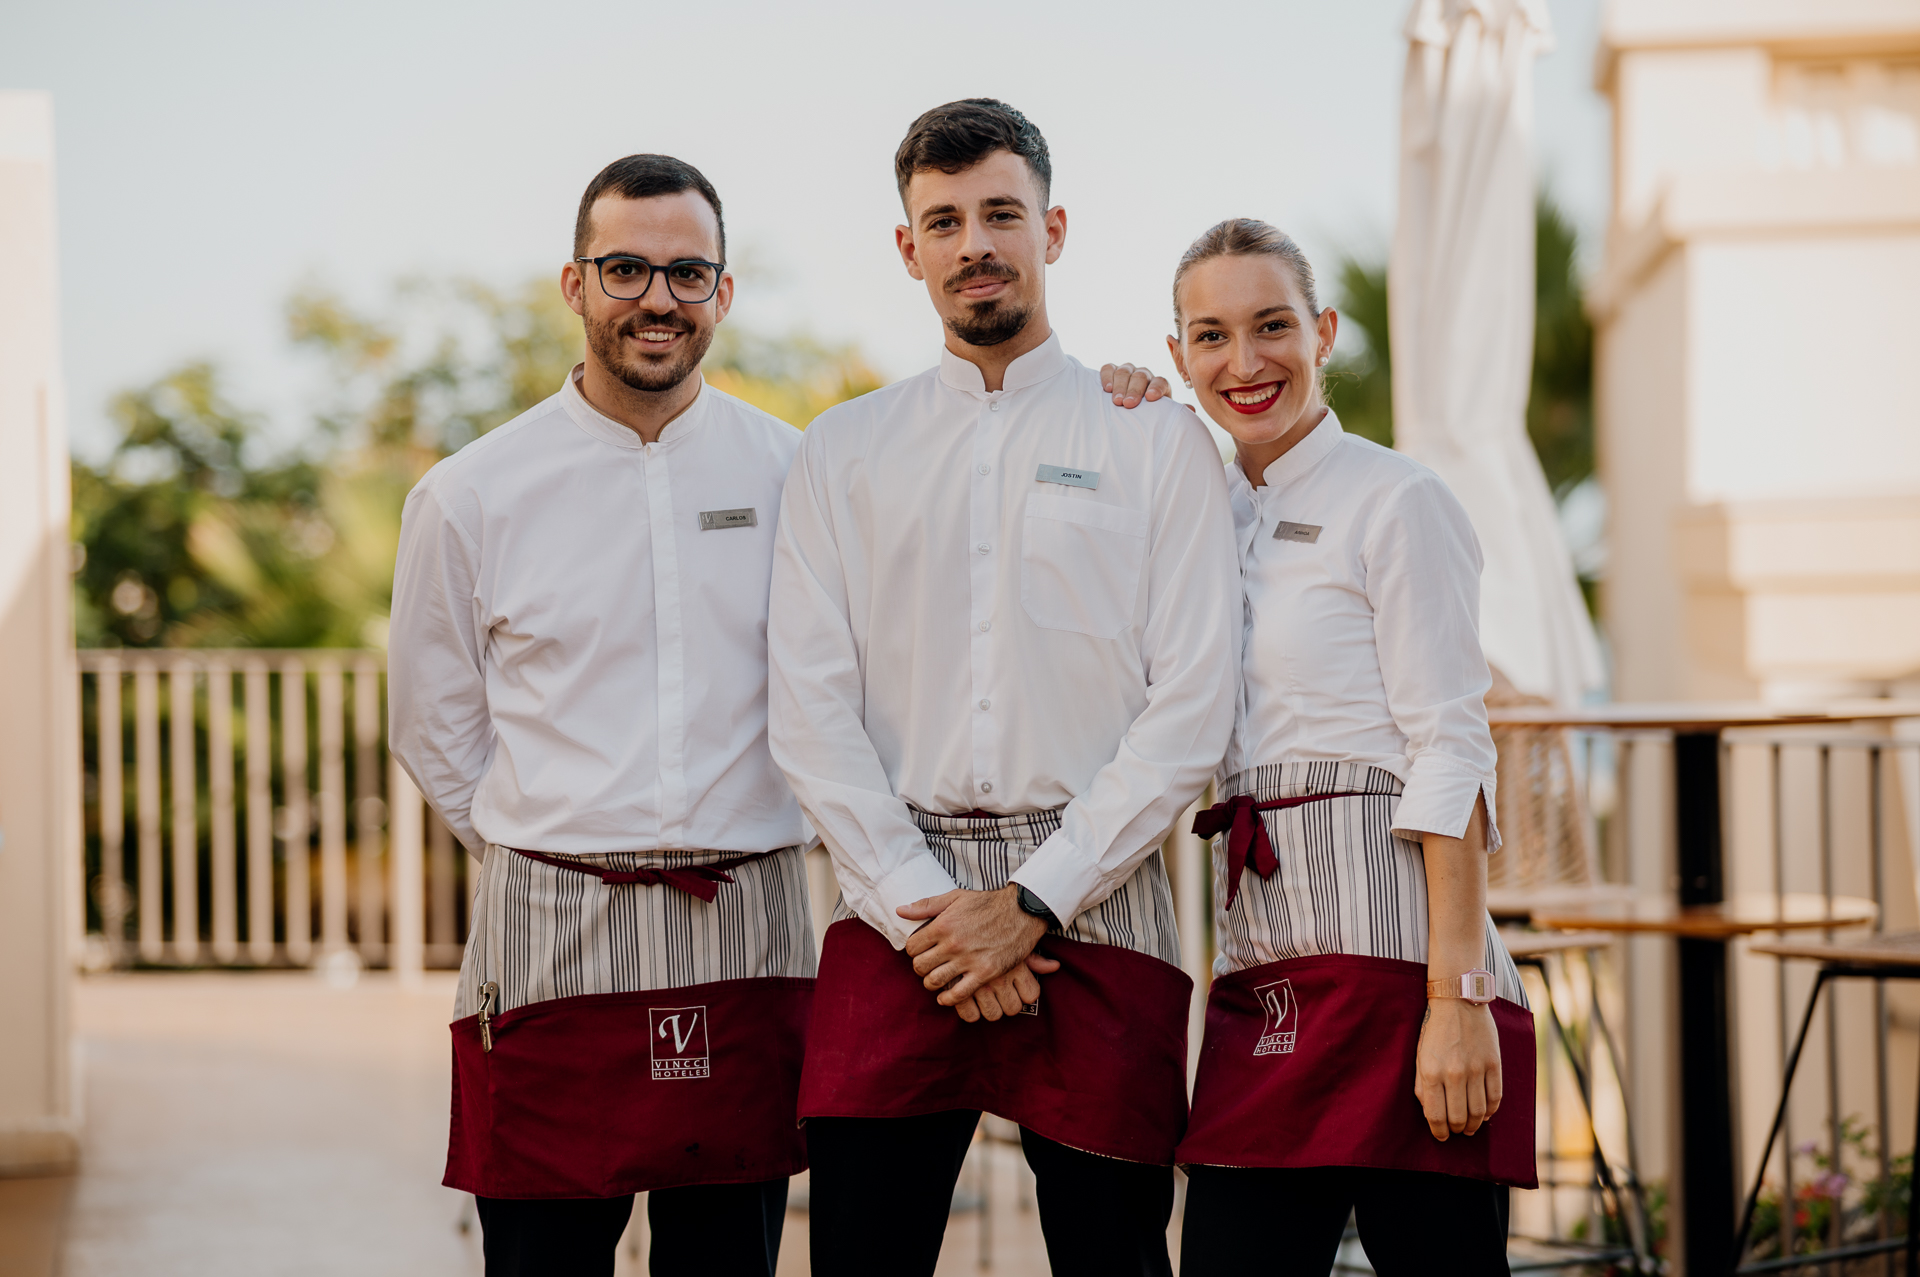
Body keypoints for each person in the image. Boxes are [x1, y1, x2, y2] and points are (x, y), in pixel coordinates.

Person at [387, 152, 1169, 1277]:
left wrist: (1118, 394)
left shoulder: (794, 466)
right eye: (625, 269)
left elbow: (842, 684)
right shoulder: (468, 493)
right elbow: (433, 724)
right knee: (538, 1259)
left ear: (724, 291)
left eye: (687, 272)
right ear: (574, 284)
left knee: (727, 1260)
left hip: (744, 920)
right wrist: (555, 837)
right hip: (551, 924)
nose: (658, 298)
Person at [767, 99, 1238, 1277]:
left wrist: (1033, 899)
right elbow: (809, 709)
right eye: (944, 220)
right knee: (861, 1254)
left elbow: (1190, 706)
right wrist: (936, 914)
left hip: (1102, 892)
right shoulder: (841, 449)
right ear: (908, 247)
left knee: (1115, 1255)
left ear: (1054, 227)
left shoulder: (1156, 440)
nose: (974, 241)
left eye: (1000, 214)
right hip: (897, 905)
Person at [1157, 219, 1537, 1277]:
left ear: (1322, 331)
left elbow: (1452, 743)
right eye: (1211, 335)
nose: (1245, 362)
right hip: (1264, 969)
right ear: (1179, 353)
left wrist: (1455, 1003)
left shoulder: (1398, 498)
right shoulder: (1201, 506)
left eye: (1273, 325)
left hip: (1403, 973)